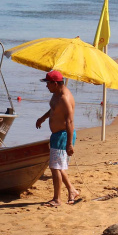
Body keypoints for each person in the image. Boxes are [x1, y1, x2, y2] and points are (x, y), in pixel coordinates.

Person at [35, 70, 80, 207]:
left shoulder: (64, 98)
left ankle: (57, 199)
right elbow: (54, 110)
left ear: (55, 83)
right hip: (56, 135)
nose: (46, 86)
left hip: (63, 135)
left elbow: (70, 122)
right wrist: (42, 118)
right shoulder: (56, 94)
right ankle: (72, 190)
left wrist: (69, 144)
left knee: (55, 168)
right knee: (58, 167)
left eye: (48, 83)